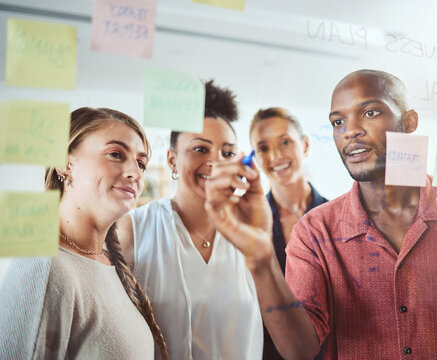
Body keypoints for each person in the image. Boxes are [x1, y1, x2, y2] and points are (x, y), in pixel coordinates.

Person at [204, 69, 437, 359]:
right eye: (338, 121)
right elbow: (299, 350)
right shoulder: (315, 233)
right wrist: (260, 258)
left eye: (369, 113)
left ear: (409, 122)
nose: (350, 130)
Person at [0, 107, 168, 360]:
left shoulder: (109, 262)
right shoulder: (45, 266)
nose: (135, 173)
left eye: (141, 163)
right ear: (64, 164)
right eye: (115, 154)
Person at [117, 80, 263, 360]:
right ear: (172, 160)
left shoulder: (251, 235)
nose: (216, 162)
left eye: (228, 152)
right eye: (200, 149)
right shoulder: (133, 230)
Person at [250, 107, 327, 359]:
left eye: (285, 142)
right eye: (262, 148)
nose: (275, 155)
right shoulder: (249, 225)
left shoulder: (337, 217)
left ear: (304, 145)